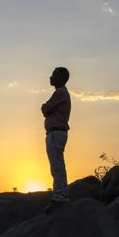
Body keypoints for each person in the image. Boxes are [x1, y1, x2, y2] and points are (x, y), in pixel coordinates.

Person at [41, 67, 72, 213]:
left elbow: (45, 108)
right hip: (55, 133)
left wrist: (45, 107)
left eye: (53, 75)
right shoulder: (61, 93)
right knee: (56, 166)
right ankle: (60, 195)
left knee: (57, 167)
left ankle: (60, 197)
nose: (50, 77)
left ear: (60, 77)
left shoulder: (60, 93)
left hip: (56, 133)